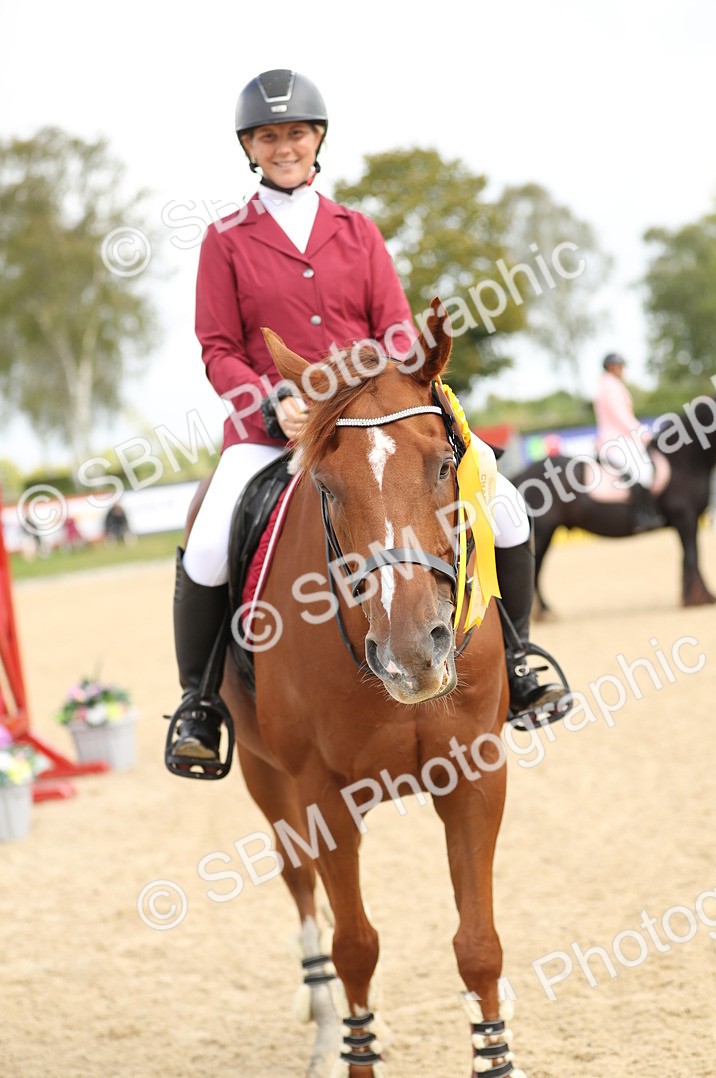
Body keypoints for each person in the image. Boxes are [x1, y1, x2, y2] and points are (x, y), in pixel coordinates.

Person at [165, 68, 567, 776]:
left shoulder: (357, 230)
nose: (283, 146)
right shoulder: (225, 239)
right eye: (268, 136)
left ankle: (521, 657)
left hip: (374, 424)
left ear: (316, 139)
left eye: (295, 133)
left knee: (504, 510)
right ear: (250, 148)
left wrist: (408, 385)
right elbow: (217, 347)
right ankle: (200, 704)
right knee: (205, 543)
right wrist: (267, 401)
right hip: (275, 428)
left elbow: (396, 330)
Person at [593, 352, 663, 533]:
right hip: (615, 440)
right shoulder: (610, 386)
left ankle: (648, 513)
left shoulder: (610, 385)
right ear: (612, 367)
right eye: (620, 366)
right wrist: (643, 434)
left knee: (644, 470)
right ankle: (641, 516)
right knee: (641, 471)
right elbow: (621, 417)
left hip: (620, 438)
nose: (623, 370)